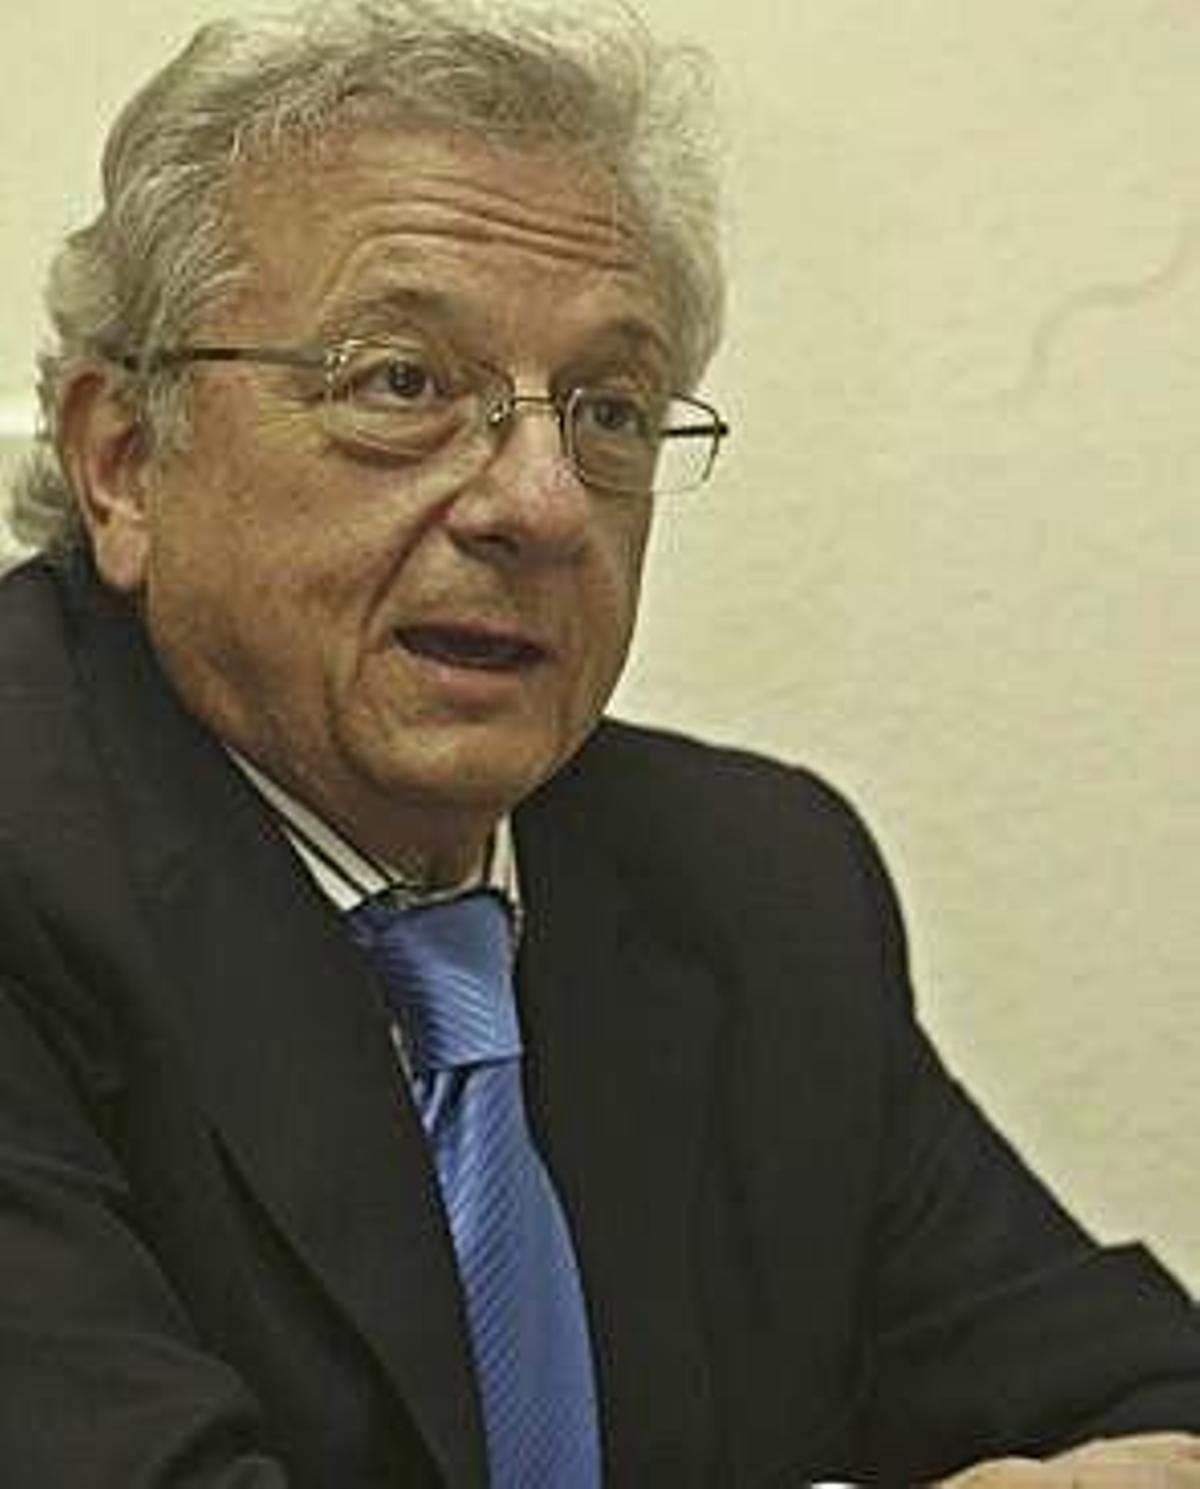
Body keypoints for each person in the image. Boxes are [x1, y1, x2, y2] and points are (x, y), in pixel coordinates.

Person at [1, 1, 1197, 1484]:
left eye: (611, 409)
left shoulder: (757, 889)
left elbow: (1136, 1396)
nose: (544, 502)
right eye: (401, 382)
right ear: (123, 461)